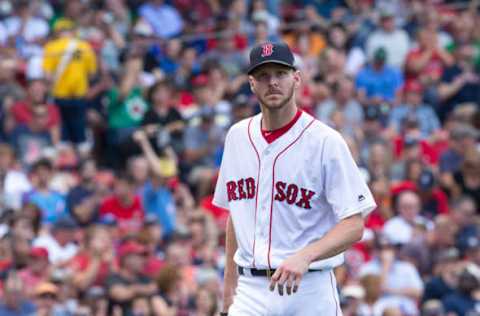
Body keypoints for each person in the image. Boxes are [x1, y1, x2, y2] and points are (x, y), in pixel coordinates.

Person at [213, 42, 376, 316]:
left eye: (280, 74)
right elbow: (236, 216)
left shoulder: (326, 141)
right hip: (250, 290)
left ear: (296, 78)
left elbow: (354, 225)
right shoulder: (237, 136)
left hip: (309, 288)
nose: (272, 82)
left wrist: (306, 255)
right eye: (264, 76)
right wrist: (229, 290)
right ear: (252, 84)